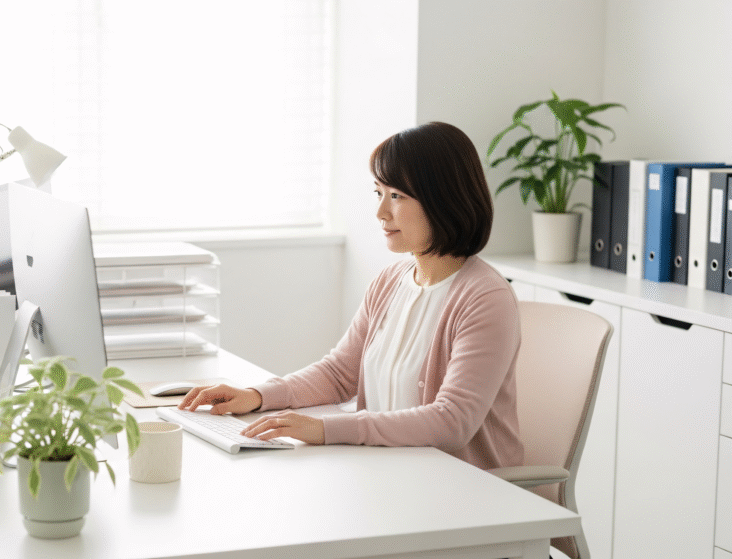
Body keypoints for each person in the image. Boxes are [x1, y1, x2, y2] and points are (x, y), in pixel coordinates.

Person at [179, 121, 523, 470]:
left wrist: (327, 429)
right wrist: (257, 396)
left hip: (465, 491)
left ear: (443, 199)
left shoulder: (486, 298)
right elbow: (340, 373)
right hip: (388, 475)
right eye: (379, 193)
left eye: (397, 196)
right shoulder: (390, 282)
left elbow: (451, 423)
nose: (381, 213)